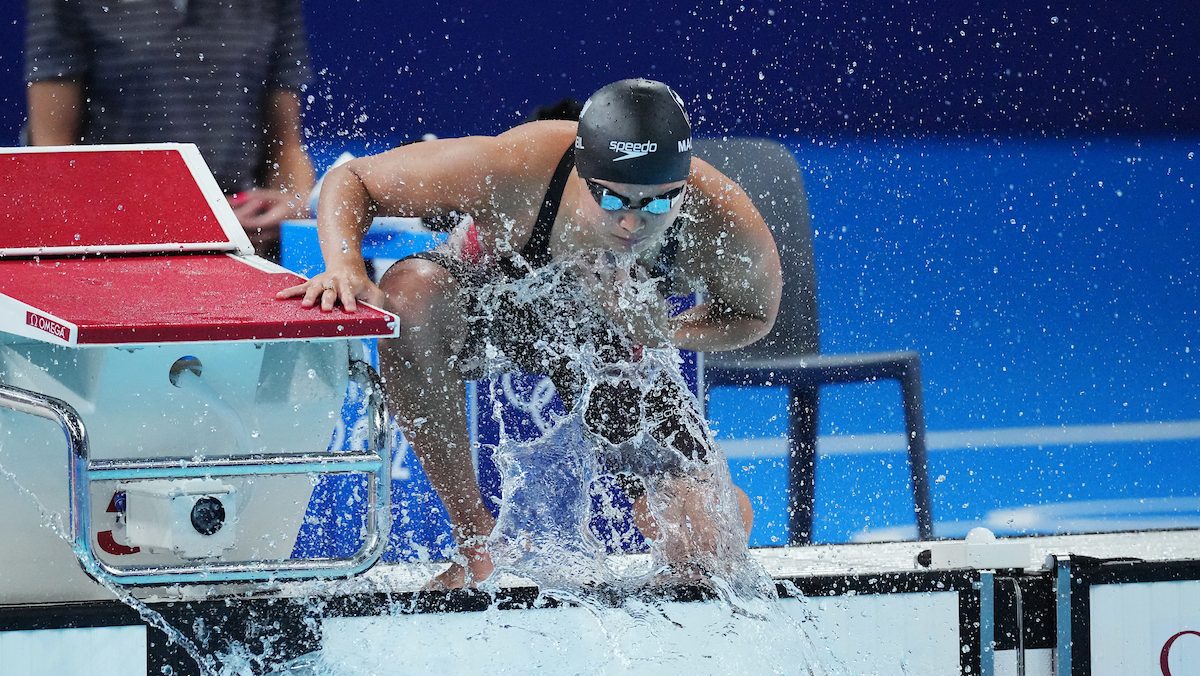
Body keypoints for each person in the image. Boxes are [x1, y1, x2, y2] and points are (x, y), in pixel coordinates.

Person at [279, 79, 782, 589]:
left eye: (654, 204)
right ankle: (476, 542)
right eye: (610, 198)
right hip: (494, 304)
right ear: (583, 172)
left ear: (681, 188)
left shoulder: (720, 213)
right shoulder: (522, 164)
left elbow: (753, 317)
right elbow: (355, 180)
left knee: (706, 544)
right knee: (411, 296)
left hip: (606, 341)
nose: (631, 222)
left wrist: (664, 330)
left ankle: (697, 540)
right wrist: (345, 265)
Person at [24, 0, 315, 262]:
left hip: (238, 241)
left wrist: (294, 206)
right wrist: (148, 225)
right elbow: (53, 158)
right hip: (115, 245)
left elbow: (286, 146)